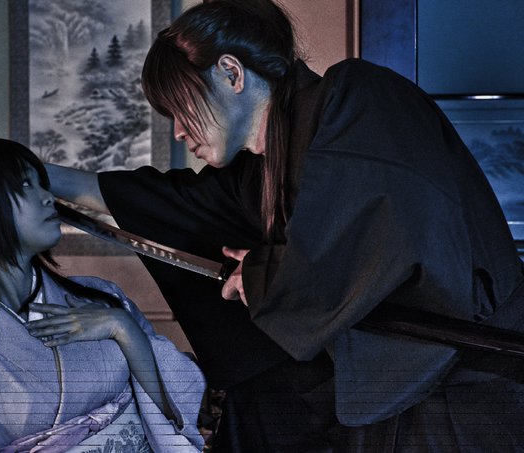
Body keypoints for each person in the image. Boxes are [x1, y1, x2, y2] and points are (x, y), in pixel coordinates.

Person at [45, 0, 524, 451]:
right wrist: (36, 176)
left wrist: (264, 273)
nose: (179, 130)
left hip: (469, 384)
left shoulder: (358, 97)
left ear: (231, 73)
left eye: (181, 108)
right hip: (398, 398)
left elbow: (373, 235)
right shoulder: (255, 170)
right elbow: (166, 203)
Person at [0, 138, 206, 452]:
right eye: (26, 185)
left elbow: (176, 415)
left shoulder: (104, 298)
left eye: (42, 184)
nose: (48, 197)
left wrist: (124, 328)